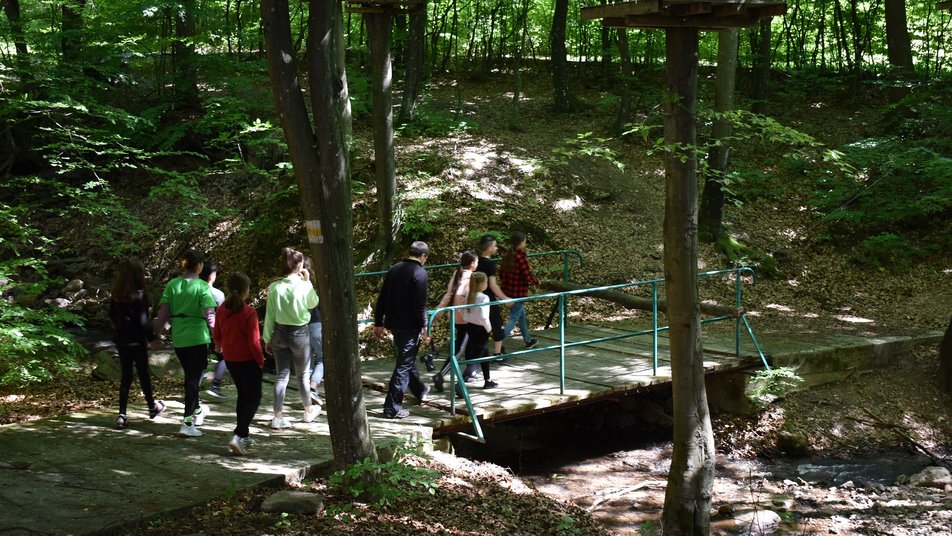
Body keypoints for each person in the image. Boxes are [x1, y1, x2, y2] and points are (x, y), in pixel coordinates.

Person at [153, 249, 217, 437]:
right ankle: (187, 422)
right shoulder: (202, 287)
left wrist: (156, 334)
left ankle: (197, 410)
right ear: (199, 266)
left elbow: (163, 314)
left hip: (179, 338)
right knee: (193, 380)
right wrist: (219, 336)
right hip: (198, 337)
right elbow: (210, 315)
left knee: (191, 377)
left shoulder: (173, 285)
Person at [262, 247, 320, 429]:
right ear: (300, 265)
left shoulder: (274, 287)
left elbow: (269, 315)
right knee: (303, 375)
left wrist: (267, 338)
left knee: (282, 376)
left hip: (279, 333)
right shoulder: (303, 285)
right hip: (300, 334)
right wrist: (308, 281)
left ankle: (277, 416)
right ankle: (308, 412)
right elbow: (314, 303)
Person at [374, 241, 431, 419]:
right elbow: (420, 305)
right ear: (423, 256)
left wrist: (378, 322)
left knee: (406, 359)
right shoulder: (420, 273)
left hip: (394, 323)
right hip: (409, 326)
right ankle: (392, 408)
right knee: (403, 366)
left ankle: (419, 389)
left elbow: (382, 297)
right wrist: (425, 328)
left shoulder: (394, 269)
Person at [109, 258, 165, 430]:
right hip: (137, 342)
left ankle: (122, 415)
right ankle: (152, 407)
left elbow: (111, 316)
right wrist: (153, 338)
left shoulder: (116, 295)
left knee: (126, 377)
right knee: (143, 375)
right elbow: (143, 322)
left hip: (122, 341)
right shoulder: (140, 295)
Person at [213, 272, 264, 456]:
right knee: (254, 397)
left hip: (231, 359)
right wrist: (260, 360)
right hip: (248, 360)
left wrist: (220, 347)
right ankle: (239, 435)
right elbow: (254, 342)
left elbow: (217, 334)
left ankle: (244, 435)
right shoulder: (249, 312)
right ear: (245, 291)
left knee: (243, 396)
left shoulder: (222, 310)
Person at [431, 251, 478, 392]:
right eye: (476, 261)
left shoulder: (457, 273)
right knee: (460, 350)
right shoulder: (469, 277)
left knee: (465, 347)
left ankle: (469, 373)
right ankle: (442, 375)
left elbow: (449, 294)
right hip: (465, 319)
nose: (477, 264)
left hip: (458, 318)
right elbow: (458, 294)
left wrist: (440, 311)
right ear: (472, 263)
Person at [499, 231, 540, 349]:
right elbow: (528, 276)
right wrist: (537, 281)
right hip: (518, 293)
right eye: (525, 241)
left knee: (521, 316)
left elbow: (501, 274)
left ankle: (528, 341)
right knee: (513, 318)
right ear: (521, 243)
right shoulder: (521, 257)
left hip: (508, 291)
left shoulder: (507, 255)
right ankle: (499, 342)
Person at [474, 235, 510, 356]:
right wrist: (505, 298)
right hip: (488, 297)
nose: (496, 248)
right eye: (494, 246)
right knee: (496, 323)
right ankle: (497, 353)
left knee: (479, 324)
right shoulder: (490, 264)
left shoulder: (476, 262)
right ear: (489, 248)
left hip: (475, 296)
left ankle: (478, 351)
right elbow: (493, 285)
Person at [462, 271, 497, 389]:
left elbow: (464, 313)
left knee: (476, 352)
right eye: (486, 282)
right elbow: (484, 316)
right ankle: (480, 379)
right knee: (482, 354)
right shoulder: (484, 297)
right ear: (481, 284)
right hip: (481, 329)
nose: (487, 284)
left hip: (470, 326)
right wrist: (489, 329)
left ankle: (486, 379)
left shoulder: (468, 295)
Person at [200, 260, 229, 399]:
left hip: (198, 330)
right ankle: (215, 386)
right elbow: (222, 315)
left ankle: (195, 390)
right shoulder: (218, 294)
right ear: (212, 275)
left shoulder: (194, 290)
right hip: (215, 331)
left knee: (200, 362)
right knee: (224, 357)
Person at [302, 258, 324, 410]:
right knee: (323, 359)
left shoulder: (294, 286)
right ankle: (313, 388)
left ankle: (308, 391)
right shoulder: (314, 286)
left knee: (307, 360)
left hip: (301, 326)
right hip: (316, 323)